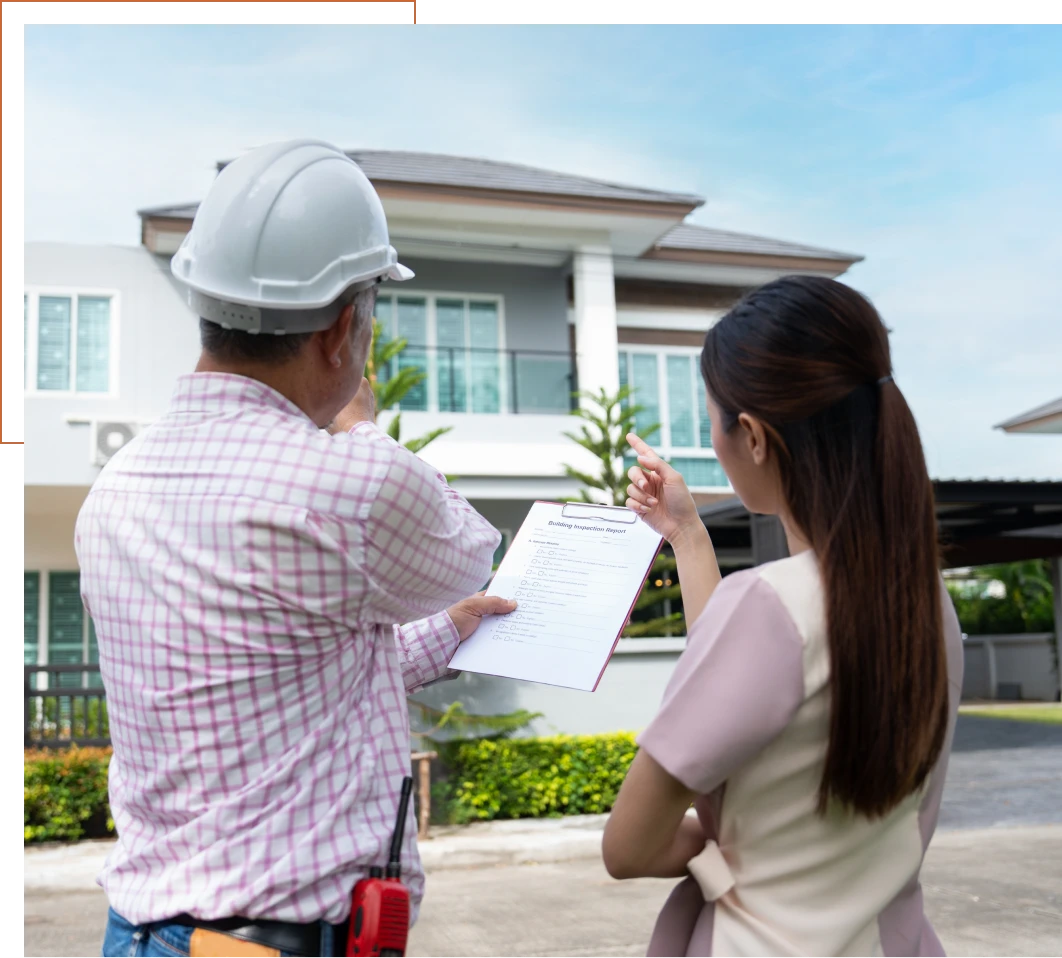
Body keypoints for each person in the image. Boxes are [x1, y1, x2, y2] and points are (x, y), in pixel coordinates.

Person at [77, 140, 514, 958]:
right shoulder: (347, 483)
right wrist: (352, 416)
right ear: (344, 326)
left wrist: (449, 628)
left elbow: (276, 671)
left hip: (141, 932)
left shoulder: (117, 488)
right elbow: (470, 554)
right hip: (266, 944)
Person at [602, 275, 963, 957]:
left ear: (755, 437)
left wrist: (717, 852)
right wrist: (687, 534)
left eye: (712, 418)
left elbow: (628, 845)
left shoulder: (771, 606)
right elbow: (750, 671)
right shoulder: (926, 606)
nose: (713, 441)